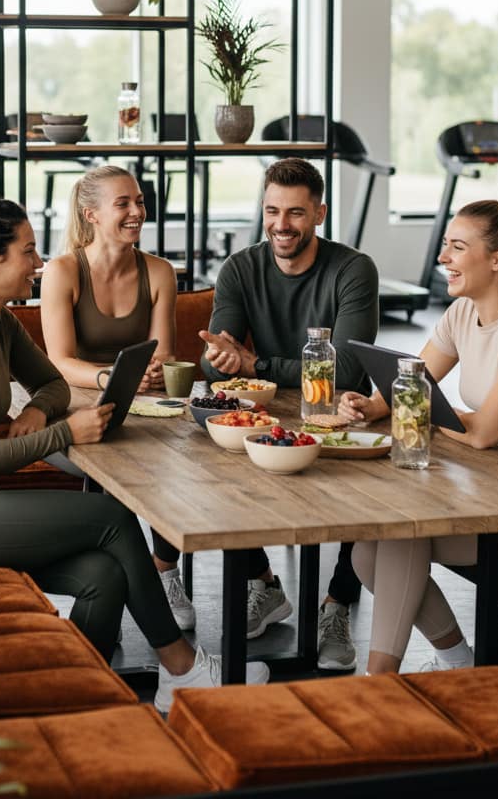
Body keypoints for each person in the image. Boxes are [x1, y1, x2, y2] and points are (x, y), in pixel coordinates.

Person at [0, 194, 268, 713]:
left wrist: (39, 414)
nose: (39, 265)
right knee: (109, 516)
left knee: (101, 577)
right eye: (28, 252)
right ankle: (183, 668)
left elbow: (52, 384)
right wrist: (64, 435)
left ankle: (74, 698)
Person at [339, 198, 498, 675]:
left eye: (457, 247)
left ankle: (379, 684)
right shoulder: (462, 314)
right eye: (445, 245)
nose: (443, 258)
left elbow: (482, 434)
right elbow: (412, 383)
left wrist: (416, 406)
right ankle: (457, 661)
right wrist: (371, 405)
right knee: (365, 554)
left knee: (401, 538)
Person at [199, 157, 380, 671]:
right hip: (270, 414)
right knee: (215, 461)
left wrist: (256, 365)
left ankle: (337, 605)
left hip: (345, 414)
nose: (282, 225)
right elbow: (222, 366)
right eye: (273, 211)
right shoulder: (239, 267)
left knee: (371, 492)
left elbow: (345, 370)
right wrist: (226, 360)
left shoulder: (352, 268)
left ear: (319, 213)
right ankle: (262, 583)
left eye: (296, 213)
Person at [40, 165, 196, 629]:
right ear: (91, 214)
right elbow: (60, 361)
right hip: (77, 405)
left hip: (143, 405)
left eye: (140, 201)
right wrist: (111, 376)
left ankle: (165, 573)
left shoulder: (159, 272)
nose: (137, 212)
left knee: (178, 452)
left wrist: (150, 372)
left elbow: (164, 353)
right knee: (119, 459)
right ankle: (107, 582)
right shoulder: (62, 271)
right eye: (123, 203)